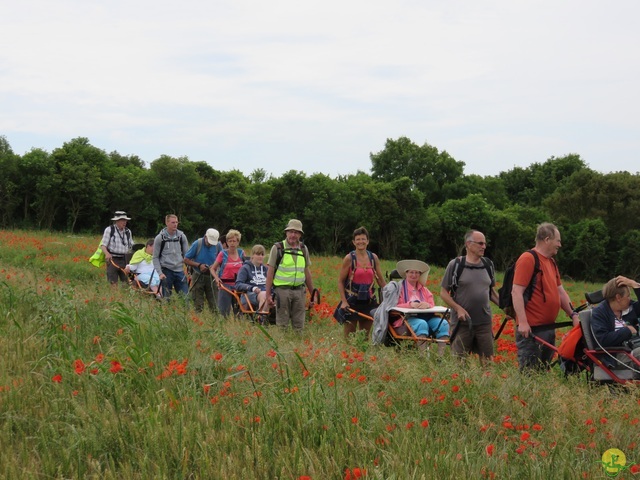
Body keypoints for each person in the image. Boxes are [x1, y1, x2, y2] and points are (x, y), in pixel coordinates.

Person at [512, 222, 579, 371]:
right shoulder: (528, 258)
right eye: (558, 240)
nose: (560, 245)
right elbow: (516, 291)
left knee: (543, 371)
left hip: (548, 328)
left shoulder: (551, 262)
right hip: (531, 331)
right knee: (529, 373)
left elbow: (560, 292)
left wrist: (573, 314)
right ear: (547, 239)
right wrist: (522, 322)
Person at [440, 230, 499, 361]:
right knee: (459, 362)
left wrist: (507, 308)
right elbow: (443, 292)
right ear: (468, 244)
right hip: (462, 323)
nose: (484, 246)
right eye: (480, 243)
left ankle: (486, 382)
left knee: (487, 361)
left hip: (484, 323)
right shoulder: (455, 265)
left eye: (484, 244)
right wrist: (458, 308)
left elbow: (491, 292)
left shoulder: (488, 265)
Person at [265, 219, 315, 332]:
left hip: (299, 291)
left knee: (299, 325)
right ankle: (281, 347)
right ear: (286, 232)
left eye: (296, 232)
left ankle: (298, 347)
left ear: (300, 235)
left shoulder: (303, 249)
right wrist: (268, 295)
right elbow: (270, 272)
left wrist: (313, 293)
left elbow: (306, 272)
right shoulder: (278, 248)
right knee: (282, 324)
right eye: (290, 231)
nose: (293, 235)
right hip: (282, 291)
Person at [337, 226, 386, 338]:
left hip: (369, 301)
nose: (361, 242)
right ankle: (349, 355)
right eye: (358, 239)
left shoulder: (373, 258)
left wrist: (391, 294)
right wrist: (344, 301)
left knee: (365, 337)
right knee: (349, 337)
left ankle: (363, 354)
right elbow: (340, 281)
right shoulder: (349, 258)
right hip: (352, 301)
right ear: (354, 242)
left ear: (367, 241)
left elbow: (381, 281)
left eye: (363, 239)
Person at [394, 259, 449, 354]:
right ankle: (422, 356)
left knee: (443, 323)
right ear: (406, 273)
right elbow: (394, 304)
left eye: (416, 273)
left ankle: (440, 357)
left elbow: (431, 303)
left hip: (427, 316)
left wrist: (427, 305)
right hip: (407, 318)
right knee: (421, 324)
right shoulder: (399, 289)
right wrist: (410, 305)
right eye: (411, 272)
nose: (414, 275)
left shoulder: (424, 290)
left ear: (420, 275)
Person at [591, 276, 640, 375]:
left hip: (634, 348)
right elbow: (603, 340)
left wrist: (635, 285)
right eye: (628, 296)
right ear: (618, 297)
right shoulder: (600, 313)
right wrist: (628, 331)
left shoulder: (629, 309)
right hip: (617, 355)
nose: (630, 299)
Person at [184, 228, 222, 313]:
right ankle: (198, 320)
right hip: (198, 275)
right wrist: (199, 265)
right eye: (209, 242)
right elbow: (186, 259)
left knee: (214, 304)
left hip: (212, 276)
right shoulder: (197, 244)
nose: (210, 244)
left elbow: (222, 259)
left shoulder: (218, 246)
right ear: (205, 237)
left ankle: (215, 322)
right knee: (198, 303)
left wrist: (215, 265)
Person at [152, 214, 189, 299]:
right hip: (166, 271)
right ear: (167, 223)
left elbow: (187, 255)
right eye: (173, 222)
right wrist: (160, 273)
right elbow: (155, 257)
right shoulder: (160, 238)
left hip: (180, 270)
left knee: (185, 298)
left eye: (176, 222)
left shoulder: (181, 237)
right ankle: (166, 311)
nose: (175, 224)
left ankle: (185, 311)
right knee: (166, 298)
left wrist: (188, 269)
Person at [210, 229, 245, 315]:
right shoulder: (223, 254)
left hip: (238, 285)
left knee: (239, 312)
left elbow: (246, 268)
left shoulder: (241, 253)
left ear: (238, 242)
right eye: (230, 241)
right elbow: (212, 268)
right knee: (224, 312)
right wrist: (217, 278)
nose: (232, 243)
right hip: (225, 285)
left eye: (234, 241)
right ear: (226, 242)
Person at [99, 211, 133, 288]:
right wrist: (107, 254)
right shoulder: (109, 230)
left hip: (125, 260)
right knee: (113, 282)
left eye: (125, 220)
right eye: (122, 220)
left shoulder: (128, 232)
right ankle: (115, 298)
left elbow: (131, 245)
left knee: (127, 282)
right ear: (117, 221)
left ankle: (125, 298)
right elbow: (103, 245)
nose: (124, 222)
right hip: (113, 260)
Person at [235, 244, 269, 314]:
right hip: (250, 293)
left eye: (262, 255)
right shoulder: (245, 268)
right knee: (264, 295)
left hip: (265, 292)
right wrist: (252, 288)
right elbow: (238, 284)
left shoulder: (266, 269)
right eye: (258, 254)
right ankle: (262, 318)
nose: (260, 257)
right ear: (252, 255)